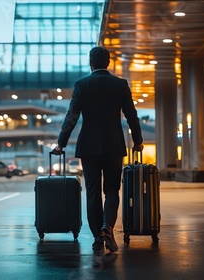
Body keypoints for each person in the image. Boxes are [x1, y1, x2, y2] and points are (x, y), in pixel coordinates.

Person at [52, 46, 143, 252]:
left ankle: (97, 238)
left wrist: (61, 142)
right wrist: (137, 140)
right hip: (113, 145)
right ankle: (107, 227)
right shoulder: (120, 85)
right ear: (108, 63)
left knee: (92, 190)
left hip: (89, 146)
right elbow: (132, 115)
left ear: (90, 63)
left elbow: (72, 116)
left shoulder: (82, 85)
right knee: (112, 189)